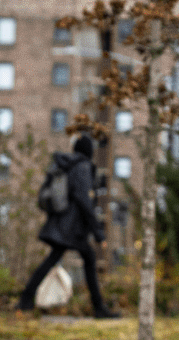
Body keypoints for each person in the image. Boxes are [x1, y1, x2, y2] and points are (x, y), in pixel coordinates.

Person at [18, 134, 119, 318]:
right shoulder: (82, 167)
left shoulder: (66, 164)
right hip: (72, 226)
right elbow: (84, 199)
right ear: (89, 151)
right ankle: (99, 308)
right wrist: (98, 232)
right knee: (83, 259)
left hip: (63, 223)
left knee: (64, 258)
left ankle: (26, 299)